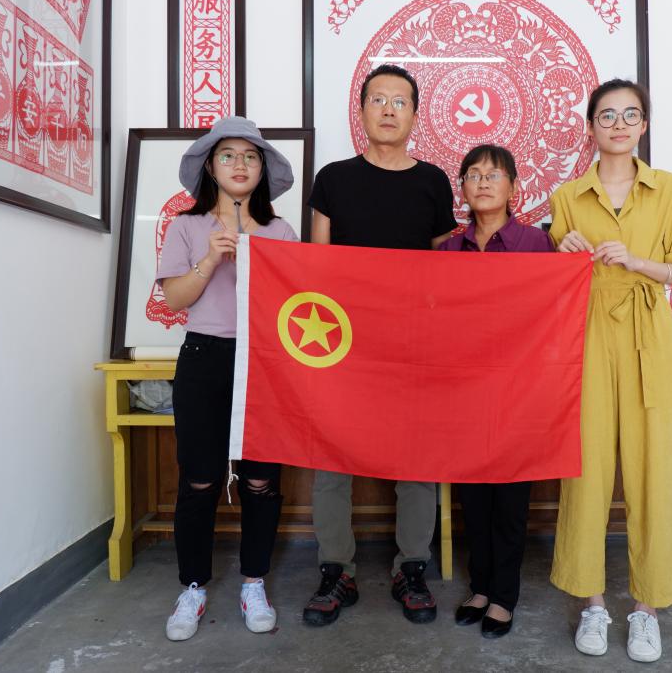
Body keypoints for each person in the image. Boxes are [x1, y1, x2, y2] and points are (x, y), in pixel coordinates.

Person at [548, 79, 672, 663]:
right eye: (606, 115)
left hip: (647, 337)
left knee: (652, 471)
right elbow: (553, 281)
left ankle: (646, 610)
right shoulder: (568, 196)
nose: (618, 125)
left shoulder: (671, 190)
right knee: (585, 471)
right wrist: (562, 253)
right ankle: (592, 604)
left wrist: (636, 261)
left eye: (630, 115)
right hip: (585, 336)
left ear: (644, 125)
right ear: (590, 126)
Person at [303, 63, 458, 626]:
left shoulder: (433, 182)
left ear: (415, 114)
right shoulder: (333, 179)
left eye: (400, 101)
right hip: (340, 343)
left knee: (416, 458)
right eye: (378, 99)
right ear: (362, 110)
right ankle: (335, 570)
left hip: (413, 342)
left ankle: (411, 566)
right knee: (331, 459)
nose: (389, 109)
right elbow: (315, 268)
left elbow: (445, 268)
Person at [156, 116, 299, 640]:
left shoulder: (280, 231)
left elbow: (296, 305)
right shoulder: (186, 226)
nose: (240, 164)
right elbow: (175, 299)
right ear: (211, 168)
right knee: (200, 479)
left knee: (261, 480)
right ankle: (193, 587)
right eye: (228, 155)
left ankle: (254, 582)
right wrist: (211, 259)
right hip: (204, 357)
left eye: (251, 156)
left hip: (265, 361)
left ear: (262, 169)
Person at [438, 144, 552, 639]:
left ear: (514, 187)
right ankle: (480, 587)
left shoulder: (537, 244)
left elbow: (552, 312)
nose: (483, 182)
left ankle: (504, 595)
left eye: (494, 174)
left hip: (519, 391)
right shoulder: (448, 250)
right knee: (474, 497)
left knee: (509, 498)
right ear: (462, 188)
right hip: (464, 391)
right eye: (473, 175)